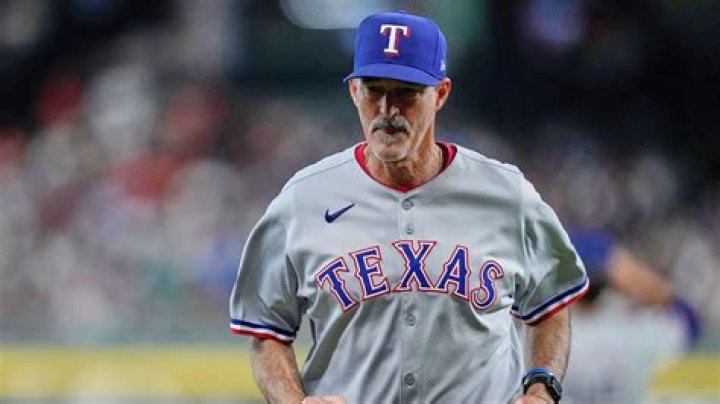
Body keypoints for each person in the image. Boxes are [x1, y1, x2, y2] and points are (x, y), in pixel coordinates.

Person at [229, 11, 588, 404]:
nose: (387, 109)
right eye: (373, 90)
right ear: (354, 92)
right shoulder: (304, 199)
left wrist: (542, 388)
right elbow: (266, 333)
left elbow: (551, 304)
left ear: (441, 94)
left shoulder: (506, 194)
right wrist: (294, 402)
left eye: (406, 92)